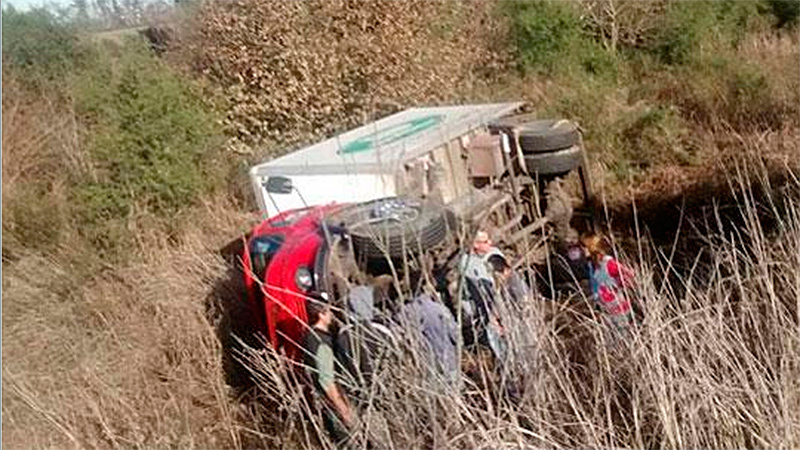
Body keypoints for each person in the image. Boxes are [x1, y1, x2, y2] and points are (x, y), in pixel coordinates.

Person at [303, 296, 355, 445]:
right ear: (321, 315)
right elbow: (327, 380)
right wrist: (344, 410)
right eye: (329, 311)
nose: (331, 314)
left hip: (324, 404)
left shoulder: (309, 335)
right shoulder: (321, 343)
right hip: (332, 406)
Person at [398, 292, 460, 386]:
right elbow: (457, 337)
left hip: (429, 373)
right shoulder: (442, 309)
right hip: (451, 368)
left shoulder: (406, 312)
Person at [581, 233, 637, 334]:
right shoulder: (591, 265)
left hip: (618, 307)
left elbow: (628, 274)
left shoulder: (607, 262)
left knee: (623, 337)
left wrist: (616, 286)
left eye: (584, 247)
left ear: (592, 247)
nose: (582, 250)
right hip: (604, 309)